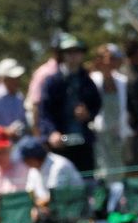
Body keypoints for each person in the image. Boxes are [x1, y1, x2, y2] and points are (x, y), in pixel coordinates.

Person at [37, 36, 101, 173]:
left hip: (83, 142)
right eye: (69, 52)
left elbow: (96, 105)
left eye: (77, 52)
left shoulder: (87, 81)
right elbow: (44, 113)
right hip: (60, 144)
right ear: (62, 55)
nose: (73, 56)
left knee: (87, 182)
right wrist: (52, 132)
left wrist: (88, 114)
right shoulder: (52, 82)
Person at [88, 44, 134, 177]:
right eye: (110, 58)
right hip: (99, 136)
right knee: (102, 172)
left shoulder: (122, 81)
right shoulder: (92, 80)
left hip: (118, 134)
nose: (112, 62)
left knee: (120, 171)